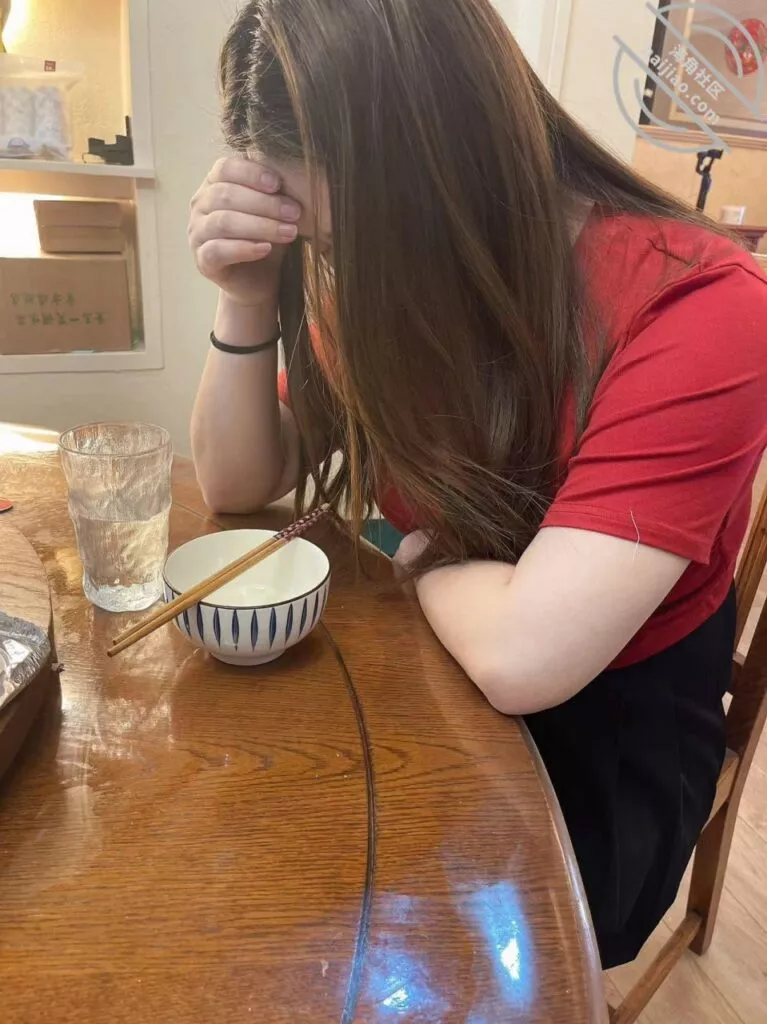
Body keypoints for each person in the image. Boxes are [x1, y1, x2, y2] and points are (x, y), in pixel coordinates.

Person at [189, 0, 767, 968]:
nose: (344, 273)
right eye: (322, 248)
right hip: (434, 675)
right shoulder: (387, 277)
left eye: (352, 239)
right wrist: (244, 297)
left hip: (605, 737)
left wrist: (418, 559)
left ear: (450, 163)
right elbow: (238, 480)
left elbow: (522, 655)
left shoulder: (700, 308)